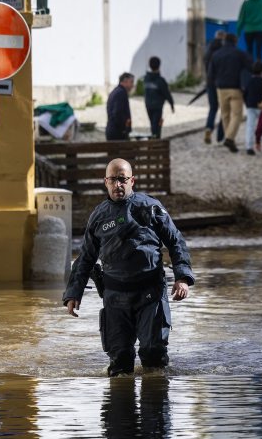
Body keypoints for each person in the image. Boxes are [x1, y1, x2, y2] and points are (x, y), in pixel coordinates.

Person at [63, 158, 195, 376]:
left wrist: (183, 278)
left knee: (154, 356)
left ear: (132, 181)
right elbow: (86, 257)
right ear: (105, 182)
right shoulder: (98, 216)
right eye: (113, 180)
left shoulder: (150, 207)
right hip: (115, 297)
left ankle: (155, 391)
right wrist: (73, 294)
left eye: (122, 179)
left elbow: (176, 242)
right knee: (120, 363)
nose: (118, 185)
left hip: (150, 294)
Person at [208, 33, 252, 153]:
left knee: (225, 114)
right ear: (235, 41)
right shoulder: (240, 54)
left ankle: (229, 138)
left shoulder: (216, 54)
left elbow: (210, 74)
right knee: (237, 115)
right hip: (235, 88)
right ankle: (229, 138)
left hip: (221, 89)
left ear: (224, 41)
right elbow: (250, 66)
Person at [202, 30, 226, 145]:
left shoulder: (208, 49)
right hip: (221, 84)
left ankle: (209, 128)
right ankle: (220, 135)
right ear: (223, 38)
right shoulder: (223, 50)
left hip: (210, 82)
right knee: (224, 109)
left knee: (213, 108)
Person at [143, 56, 175, 139]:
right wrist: (171, 104)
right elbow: (166, 93)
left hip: (148, 104)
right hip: (157, 106)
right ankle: (156, 140)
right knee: (156, 125)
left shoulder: (146, 78)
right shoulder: (160, 80)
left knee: (152, 123)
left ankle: (154, 139)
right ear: (159, 66)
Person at [243, 61, 262, 155]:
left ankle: (249, 146)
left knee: (250, 126)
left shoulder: (249, 81)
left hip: (250, 106)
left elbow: (245, 94)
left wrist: (247, 103)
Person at [106, 72, 135, 141]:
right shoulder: (121, 93)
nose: (132, 85)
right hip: (117, 133)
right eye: (131, 82)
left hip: (113, 130)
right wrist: (124, 129)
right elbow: (117, 113)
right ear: (125, 81)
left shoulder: (116, 91)